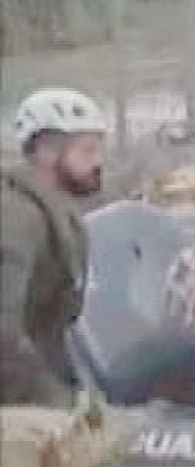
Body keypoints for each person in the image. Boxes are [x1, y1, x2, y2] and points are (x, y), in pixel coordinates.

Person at [1, 88, 107, 407]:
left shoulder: (56, 211)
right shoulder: (17, 218)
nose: (99, 162)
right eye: (87, 151)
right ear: (47, 153)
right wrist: (59, 404)